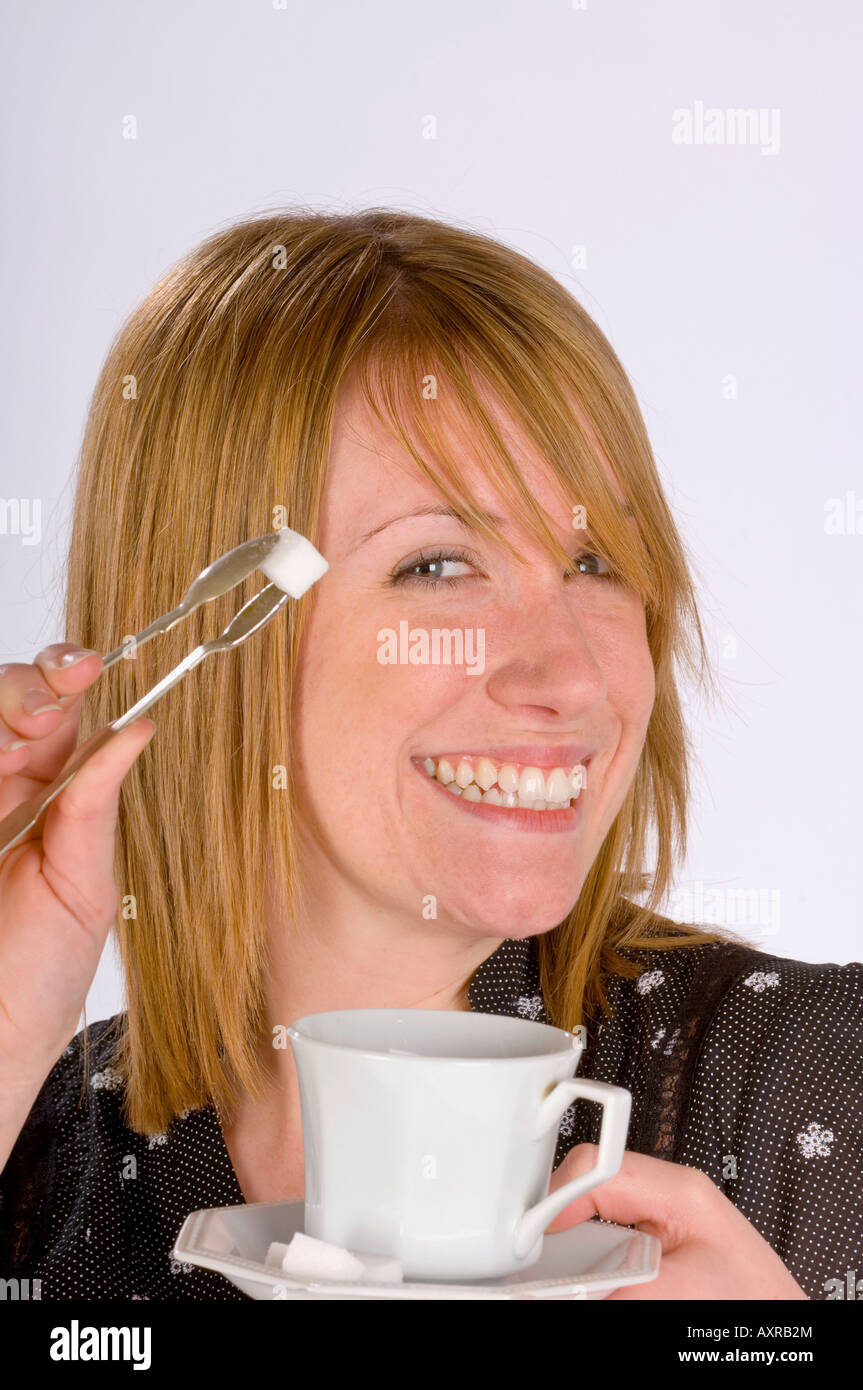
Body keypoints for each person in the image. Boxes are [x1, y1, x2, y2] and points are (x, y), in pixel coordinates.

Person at [0, 209, 859, 1300]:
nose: (572, 678)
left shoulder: (814, 1082)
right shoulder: (36, 1159)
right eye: (438, 566)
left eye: (595, 560)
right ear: (202, 639)